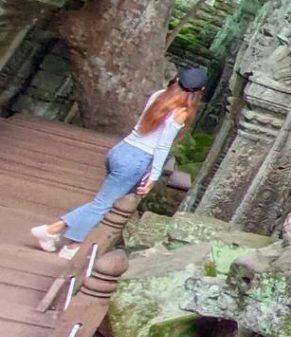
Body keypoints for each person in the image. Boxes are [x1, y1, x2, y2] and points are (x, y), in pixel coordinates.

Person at [31, 67, 207, 259]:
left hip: (121, 150)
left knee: (103, 202)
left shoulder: (160, 95)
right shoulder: (181, 112)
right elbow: (162, 146)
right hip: (136, 159)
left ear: (177, 79)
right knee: (102, 205)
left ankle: (69, 242)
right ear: (201, 90)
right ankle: (55, 235)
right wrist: (153, 176)